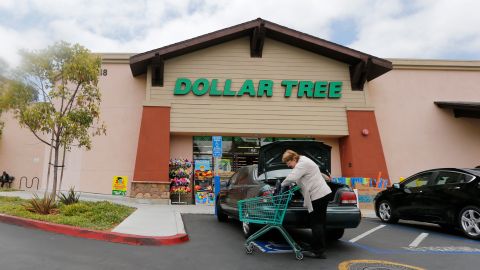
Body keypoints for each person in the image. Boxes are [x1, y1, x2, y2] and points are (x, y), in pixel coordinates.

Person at [281, 150, 332, 259]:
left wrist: (281, 185)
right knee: (318, 223)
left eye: (288, 162)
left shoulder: (302, 163)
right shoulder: (303, 161)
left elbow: (292, 177)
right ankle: (315, 246)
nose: (288, 165)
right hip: (321, 194)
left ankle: (318, 251)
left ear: (294, 159)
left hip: (319, 195)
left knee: (317, 223)